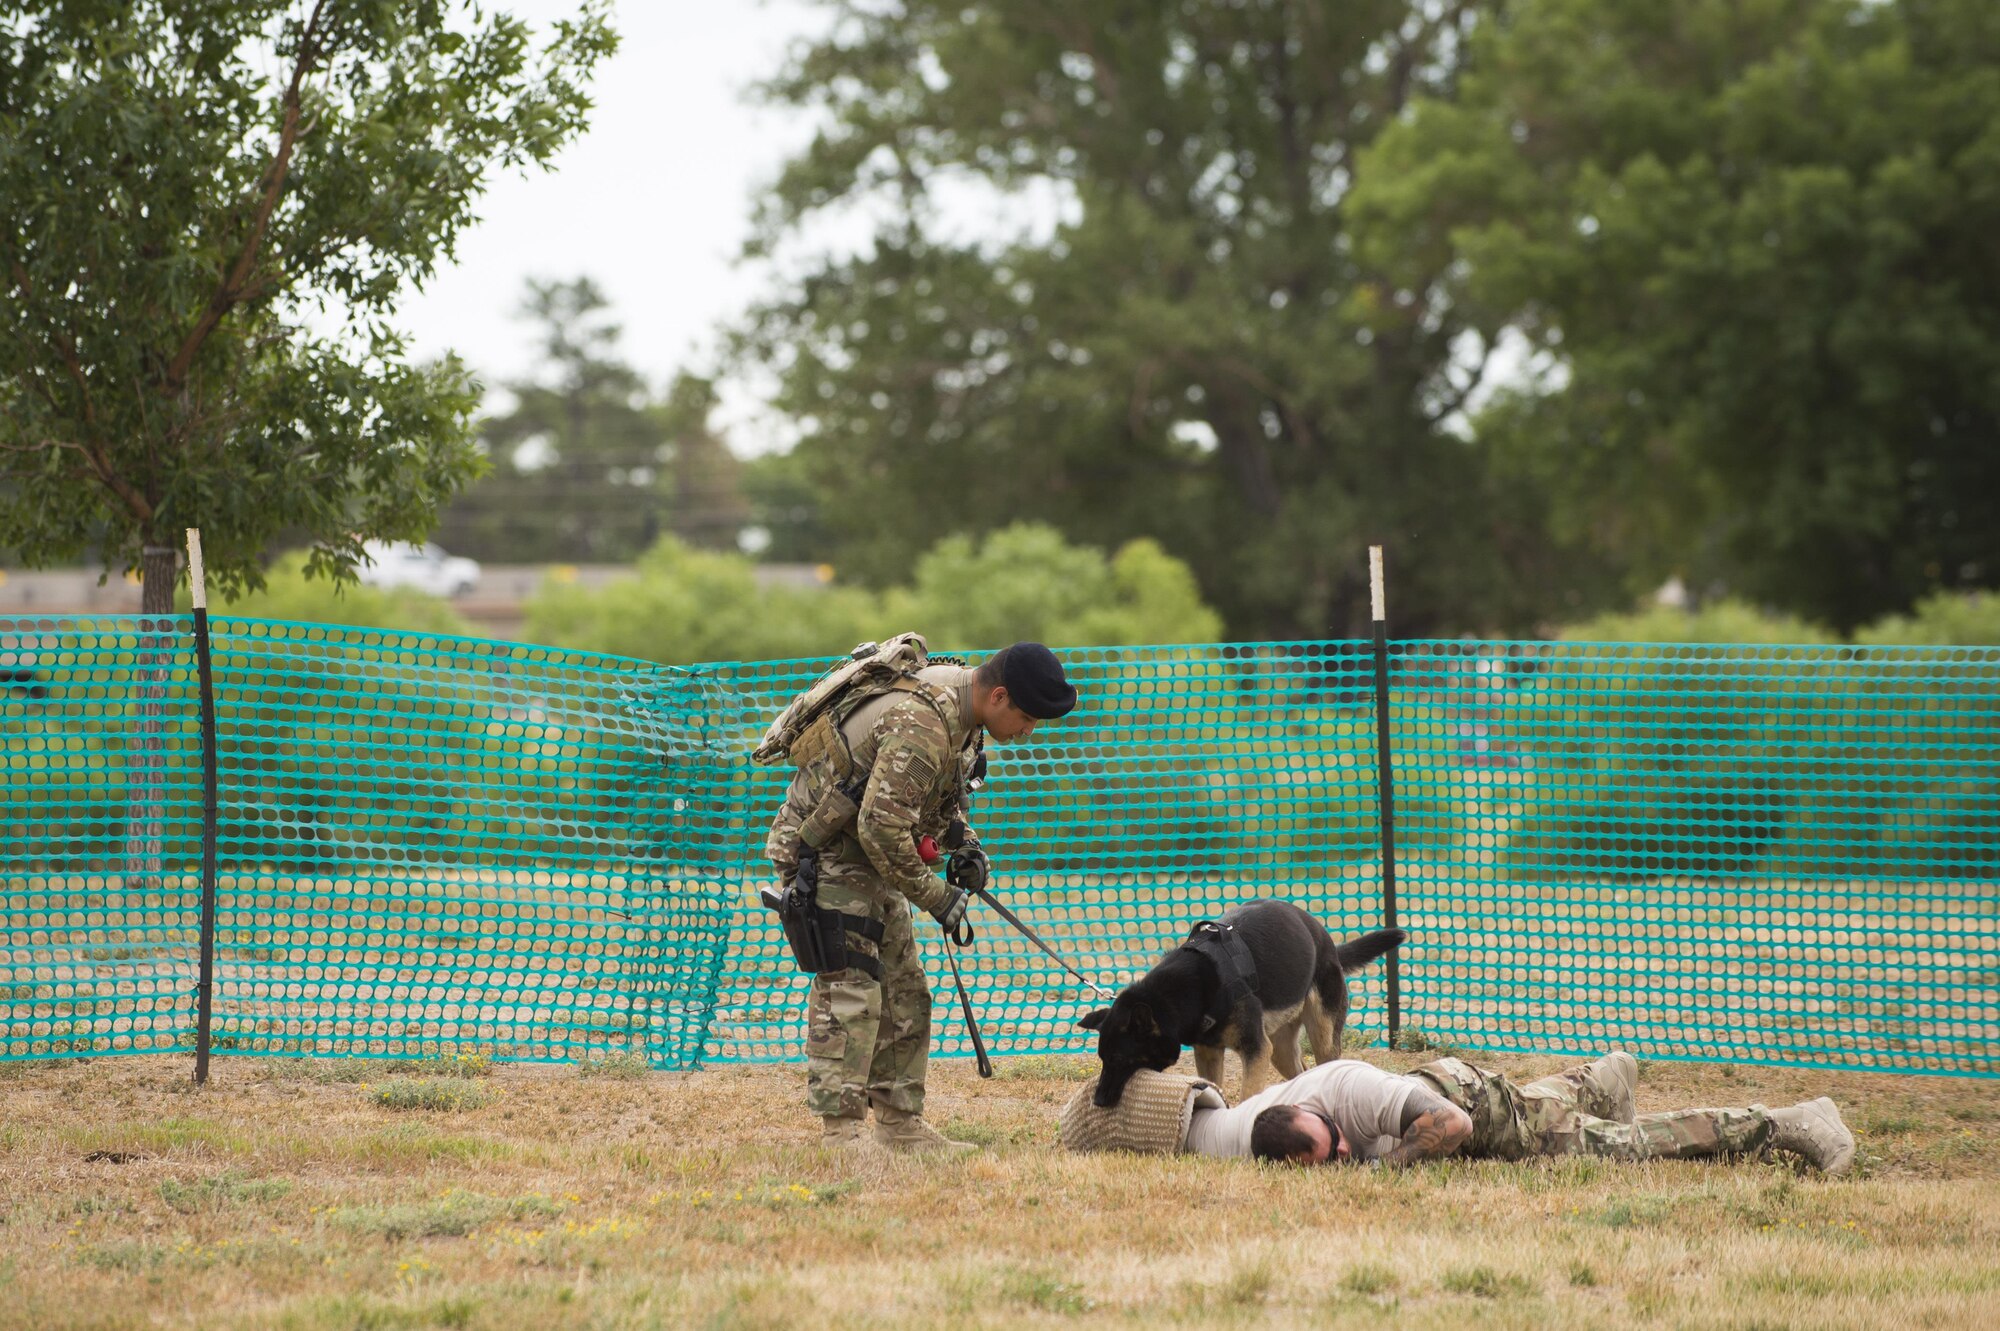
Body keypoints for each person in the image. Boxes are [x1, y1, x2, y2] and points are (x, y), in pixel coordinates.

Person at [766, 641, 1077, 1154]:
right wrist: (937, 896)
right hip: (823, 853)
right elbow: (881, 829)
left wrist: (965, 845)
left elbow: (937, 799)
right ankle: (839, 1136)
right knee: (852, 988)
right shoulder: (924, 723)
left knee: (906, 989)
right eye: (1026, 717)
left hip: (866, 853)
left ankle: (899, 1126)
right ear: (998, 696)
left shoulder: (966, 719)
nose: (1028, 731)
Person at [1185, 1052, 1856, 1174]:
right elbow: (1190, 1118)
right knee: (1538, 1108)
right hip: (1458, 1089)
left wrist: (1381, 1172)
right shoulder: (1251, 1133)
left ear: (1321, 1112)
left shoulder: (1353, 1091)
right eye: (1321, 1165)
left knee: (1625, 1147)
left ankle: (1792, 1119)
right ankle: (1596, 1078)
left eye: (1333, 1148)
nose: (1337, 1159)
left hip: (1465, 1103)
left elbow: (1454, 1126)